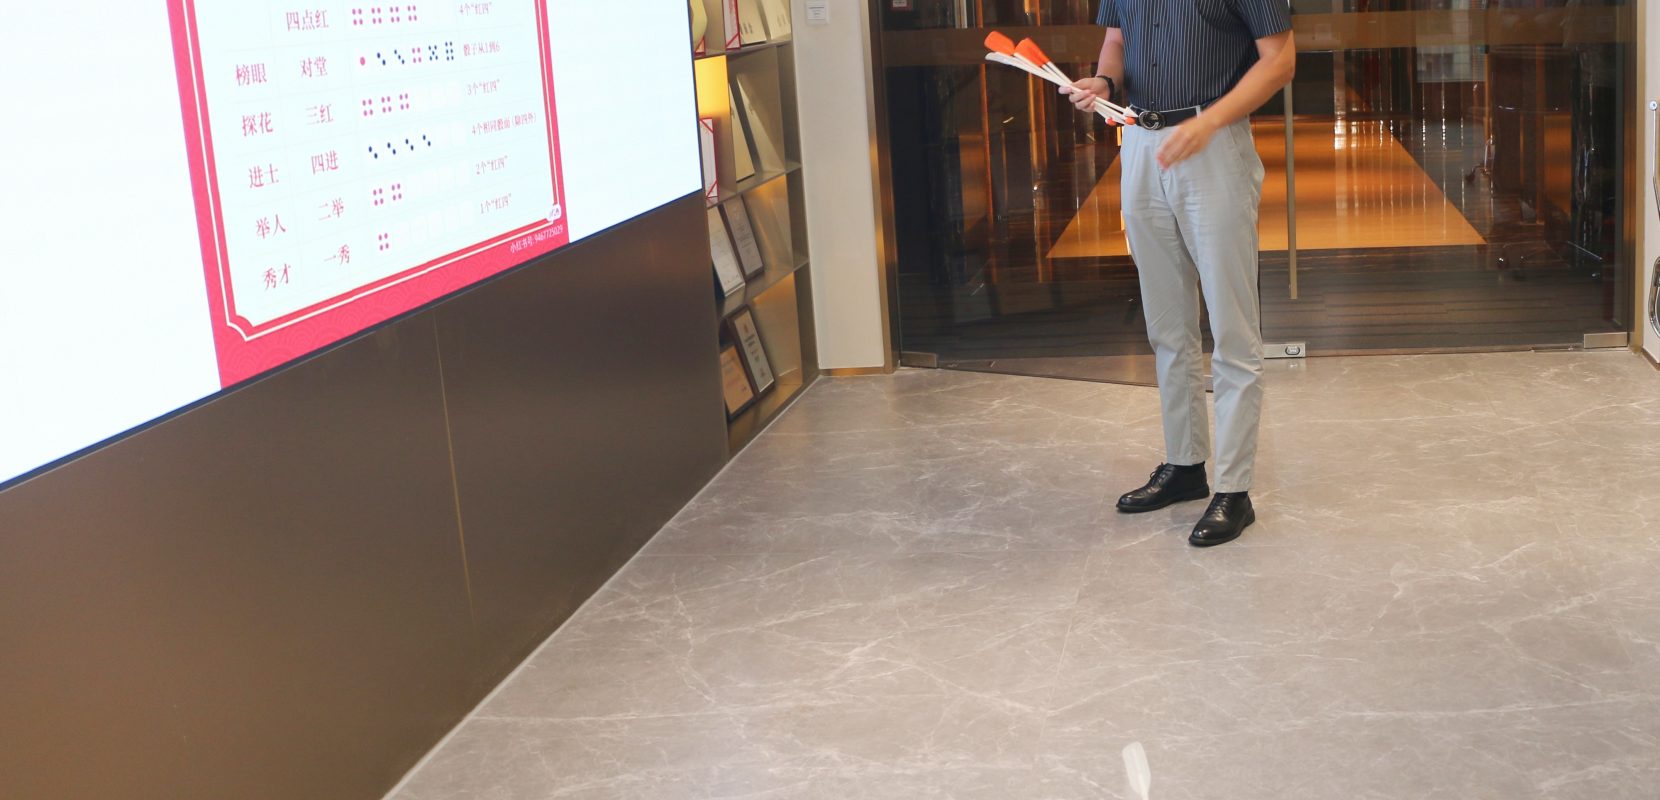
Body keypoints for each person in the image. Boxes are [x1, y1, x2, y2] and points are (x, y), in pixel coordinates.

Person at [1066, 1, 1296, 546]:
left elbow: (1280, 61)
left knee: (1233, 329)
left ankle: (1234, 490)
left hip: (1215, 141)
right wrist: (1103, 81)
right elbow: (1117, 39)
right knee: (1167, 324)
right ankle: (1186, 465)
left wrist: (1209, 121)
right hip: (1140, 142)